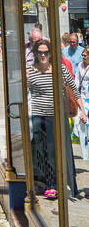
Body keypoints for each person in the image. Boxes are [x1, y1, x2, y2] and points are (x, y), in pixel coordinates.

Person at [26, 37, 84, 200]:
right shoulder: (30, 71)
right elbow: (24, 93)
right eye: (40, 53)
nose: (43, 55)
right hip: (38, 115)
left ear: (51, 53)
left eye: (46, 52)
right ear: (35, 54)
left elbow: (74, 89)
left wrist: (83, 111)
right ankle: (42, 183)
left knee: (53, 151)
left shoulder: (60, 70)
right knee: (39, 151)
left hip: (56, 116)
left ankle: (54, 184)